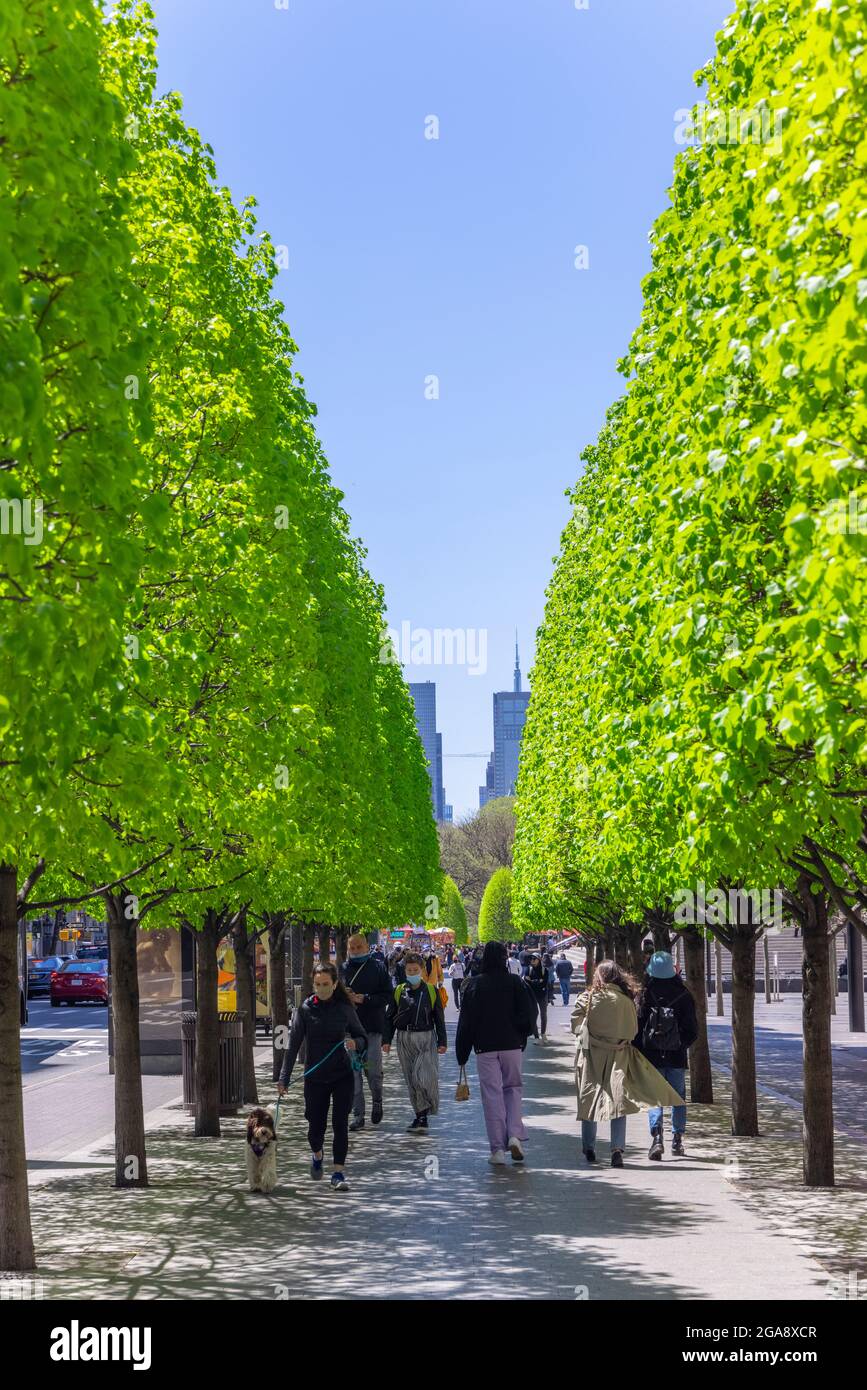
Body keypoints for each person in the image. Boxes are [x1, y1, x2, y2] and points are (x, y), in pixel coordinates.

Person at [571, 960, 686, 1169]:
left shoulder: (587, 998)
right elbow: (633, 1031)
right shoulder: (626, 1000)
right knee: (618, 1104)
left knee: (589, 1099)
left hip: (591, 1056)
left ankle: (588, 1147)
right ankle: (617, 1149)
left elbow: (576, 1026)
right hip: (619, 1055)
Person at [277, 962, 367, 1191]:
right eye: (317, 984)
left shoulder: (344, 1008)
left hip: (341, 1075)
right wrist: (284, 1078)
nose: (321, 988)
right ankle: (317, 1154)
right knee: (315, 1127)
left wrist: (355, 1042)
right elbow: (294, 1043)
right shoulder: (305, 1009)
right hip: (315, 1076)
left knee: (340, 1124)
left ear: (335, 984)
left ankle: (338, 1173)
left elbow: (362, 1036)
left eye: (326, 984)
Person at [455, 940, 538, 1165]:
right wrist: (522, 1036)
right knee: (513, 1089)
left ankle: (498, 1150)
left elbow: (466, 1022)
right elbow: (529, 1013)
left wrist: (462, 1053)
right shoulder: (515, 982)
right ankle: (514, 1134)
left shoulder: (475, 985)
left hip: (485, 1048)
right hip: (512, 1046)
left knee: (492, 1096)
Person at [635, 951, 698, 1159]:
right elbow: (692, 1030)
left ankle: (657, 1137)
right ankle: (677, 1139)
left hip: (652, 1055)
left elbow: (637, 1026)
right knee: (678, 1098)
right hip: (676, 1055)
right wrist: (680, 1044)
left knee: (654, 1097)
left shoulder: (645, 993)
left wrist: (641, 1049)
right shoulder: (683, 994)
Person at [383, 951, 447, 1132]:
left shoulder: (431, 991)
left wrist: (443, 1042)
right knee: (411, 1079)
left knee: (423, 1077)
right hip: (404, 1039)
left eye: (415, 970)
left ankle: (425, 1110)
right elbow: (389, 1017)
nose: (412, 973)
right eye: (409, 970)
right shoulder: (398, 991)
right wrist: (386, 1040)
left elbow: (439, 1019)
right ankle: (421, 1117)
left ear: (421, 971)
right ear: (405, 971)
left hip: (426, 1039)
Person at [340, 932, 392, 1131]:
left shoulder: (378, 967)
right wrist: (346, 997)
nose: (354, 951)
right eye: (351, 948)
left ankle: (377, 1099)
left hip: (372, 1029)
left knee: (372, 1071)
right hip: (349, 1031)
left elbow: (388, 996)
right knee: (354, 1073)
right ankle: (358, 1115)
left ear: (366, 947)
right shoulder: (342, 969)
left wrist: (365, 999)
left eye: (358, 947)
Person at [526, 954, 549, 1041]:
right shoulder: (528, 969)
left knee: (543, 1015)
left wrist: (532, 981)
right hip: (532, 995)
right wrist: (538, 981)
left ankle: (543, 1033)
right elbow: (526, 982)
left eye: (534, 958)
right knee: (533, 1015)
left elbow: (544, 983)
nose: (532, 960)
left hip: (542, 995)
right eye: (531, 958)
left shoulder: (544, 970)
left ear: (538, 959)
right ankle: (536, 1036)